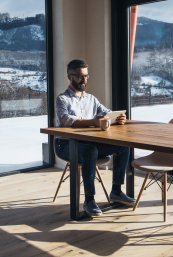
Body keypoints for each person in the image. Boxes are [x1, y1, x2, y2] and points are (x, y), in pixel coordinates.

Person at [55, 59, 136, 216]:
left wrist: (118, 117)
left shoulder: (92, 99)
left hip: (89, 143)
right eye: (79, 76)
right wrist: (92, 121)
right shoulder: (62, 99)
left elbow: (107, 112)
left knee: (123, 146)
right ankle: (89, 200)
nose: (83, 79)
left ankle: (116, 191)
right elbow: (65, 120)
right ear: (69, 77)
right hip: (65, 146)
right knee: (90, 151)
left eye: (86, 76)